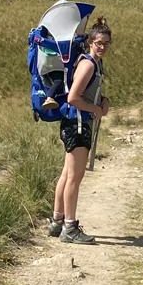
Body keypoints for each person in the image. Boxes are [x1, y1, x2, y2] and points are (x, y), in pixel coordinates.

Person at [48, 17, 111, 245]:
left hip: (75, 122)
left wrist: (102, 101)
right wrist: (95, 108)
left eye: (106, 43)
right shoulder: (88, 64)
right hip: (77, 123)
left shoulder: (92, 63)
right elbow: (74, 97)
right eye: (99, 42)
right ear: (90, 42)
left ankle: (57, 221)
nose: (102, 46)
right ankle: (70, 228)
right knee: (75, 177)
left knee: (67, 174)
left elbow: (84, 93)